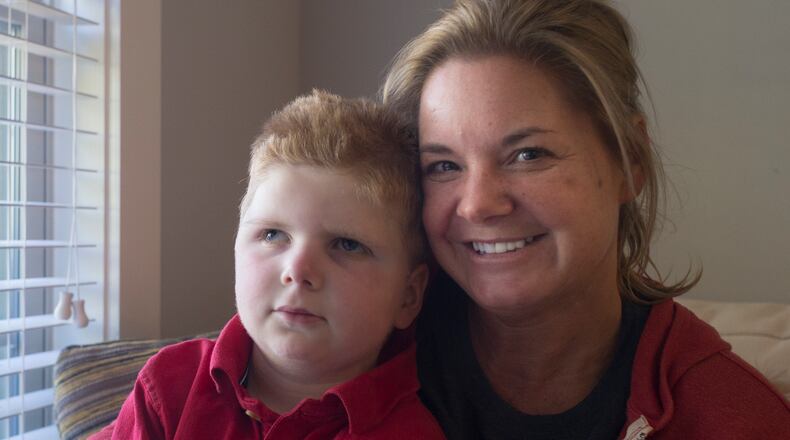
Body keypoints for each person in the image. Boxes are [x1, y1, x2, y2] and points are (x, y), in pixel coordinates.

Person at [381, 0, 790, 438]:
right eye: (443, 166)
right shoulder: (355, 356)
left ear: (629, 160)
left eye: (528, 154)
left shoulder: (735, 420)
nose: (477, 205)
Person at [92, 91, 445, 439]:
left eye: (347, 245)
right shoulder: (169, 387)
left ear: (408, 296)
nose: (299, 270)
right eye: (273, 234)